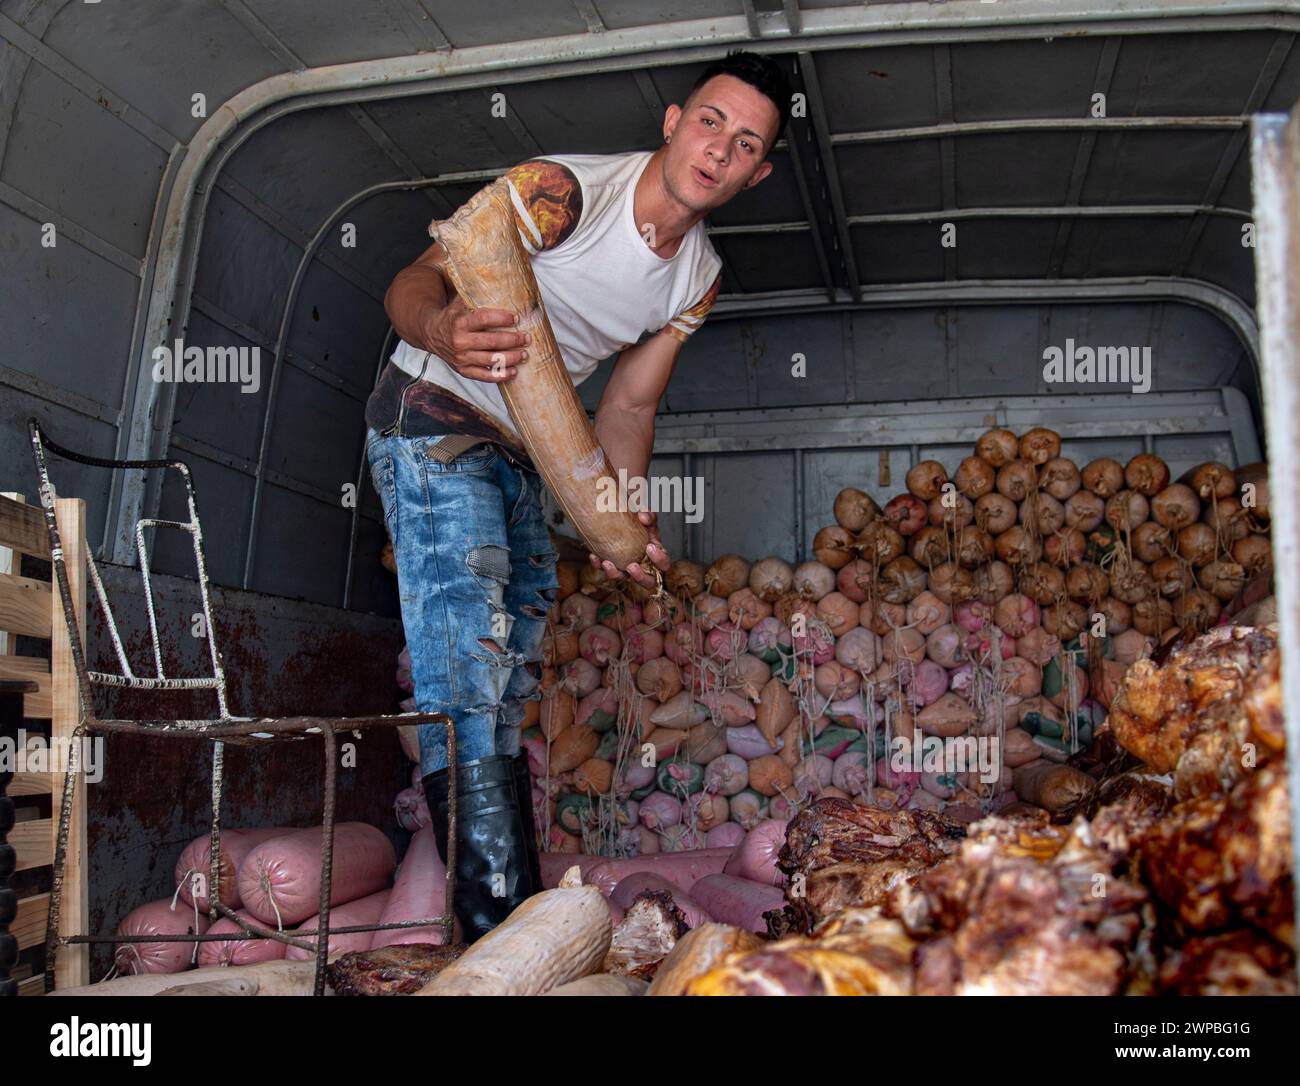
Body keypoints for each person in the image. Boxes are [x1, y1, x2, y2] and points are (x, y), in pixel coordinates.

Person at [365, 50, 791, 941]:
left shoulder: (697, 277)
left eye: (744, 143)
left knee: (513, 664)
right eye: (710, 122)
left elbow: (629, 405)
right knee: (466, 660)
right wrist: (441, 326)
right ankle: (495, 934)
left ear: (757, 174)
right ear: (674, 121)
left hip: (529, 450)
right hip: (433, 414)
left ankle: (509, 917)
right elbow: (412, 280)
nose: (719, 149)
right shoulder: (561, 191)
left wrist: (618, 522)